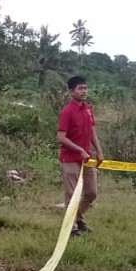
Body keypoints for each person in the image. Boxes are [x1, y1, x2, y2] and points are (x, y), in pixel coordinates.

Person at [57, 75, 104, 236]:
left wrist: (98, 150)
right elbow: (61, 137)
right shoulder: (67, 112)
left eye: (85, 88)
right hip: (70, 158)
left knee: (91, 193)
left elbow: (91, 130)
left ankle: (77, 218)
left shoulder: (88, 108)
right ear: (71, 92)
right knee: (71, 194)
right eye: (80, 88)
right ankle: (71, 229)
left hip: (87, 157)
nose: (84, 91)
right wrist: (79, 150)